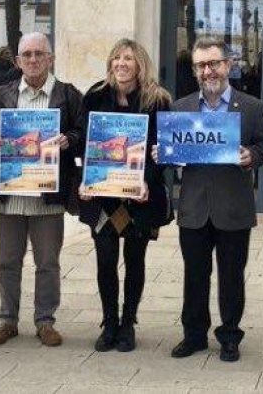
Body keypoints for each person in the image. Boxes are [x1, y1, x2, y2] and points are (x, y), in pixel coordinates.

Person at [164, 37, 263, 363]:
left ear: (228, 65)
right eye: (201, 65)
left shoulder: (252, 107)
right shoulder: (179, 108)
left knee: (231, 275)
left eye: (214, 63)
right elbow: (171, 155)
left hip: (234, 207)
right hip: (194, 207)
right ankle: (193, 335)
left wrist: (250, 155)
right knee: (194, 275)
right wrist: (164, 154)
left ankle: (229, 335)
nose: (207, 71)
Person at [0, 32, 83, 348]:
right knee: (7, 262)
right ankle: (7, 320)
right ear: (17, 61)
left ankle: (45, 322)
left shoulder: (68, 95)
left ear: (51, 58)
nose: (33, 60)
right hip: (11, 194)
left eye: (40, 54)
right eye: (27, 54)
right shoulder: (1, 95)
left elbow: (83, 130)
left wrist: (70, 140)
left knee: (47, 263)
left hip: (48, 195)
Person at [77, 39, 173, 353]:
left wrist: (147, 180)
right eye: (116, 57)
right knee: (105, 260)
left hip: (140, 196)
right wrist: (84, 180)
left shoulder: (157, 100)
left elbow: (163, 151)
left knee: (135, 259)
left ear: (140, 64)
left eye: (128, 58)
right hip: (104, 197)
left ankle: (128, 323)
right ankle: (109, 323)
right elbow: (83, 144)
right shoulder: (94, 96)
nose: (121, 63)